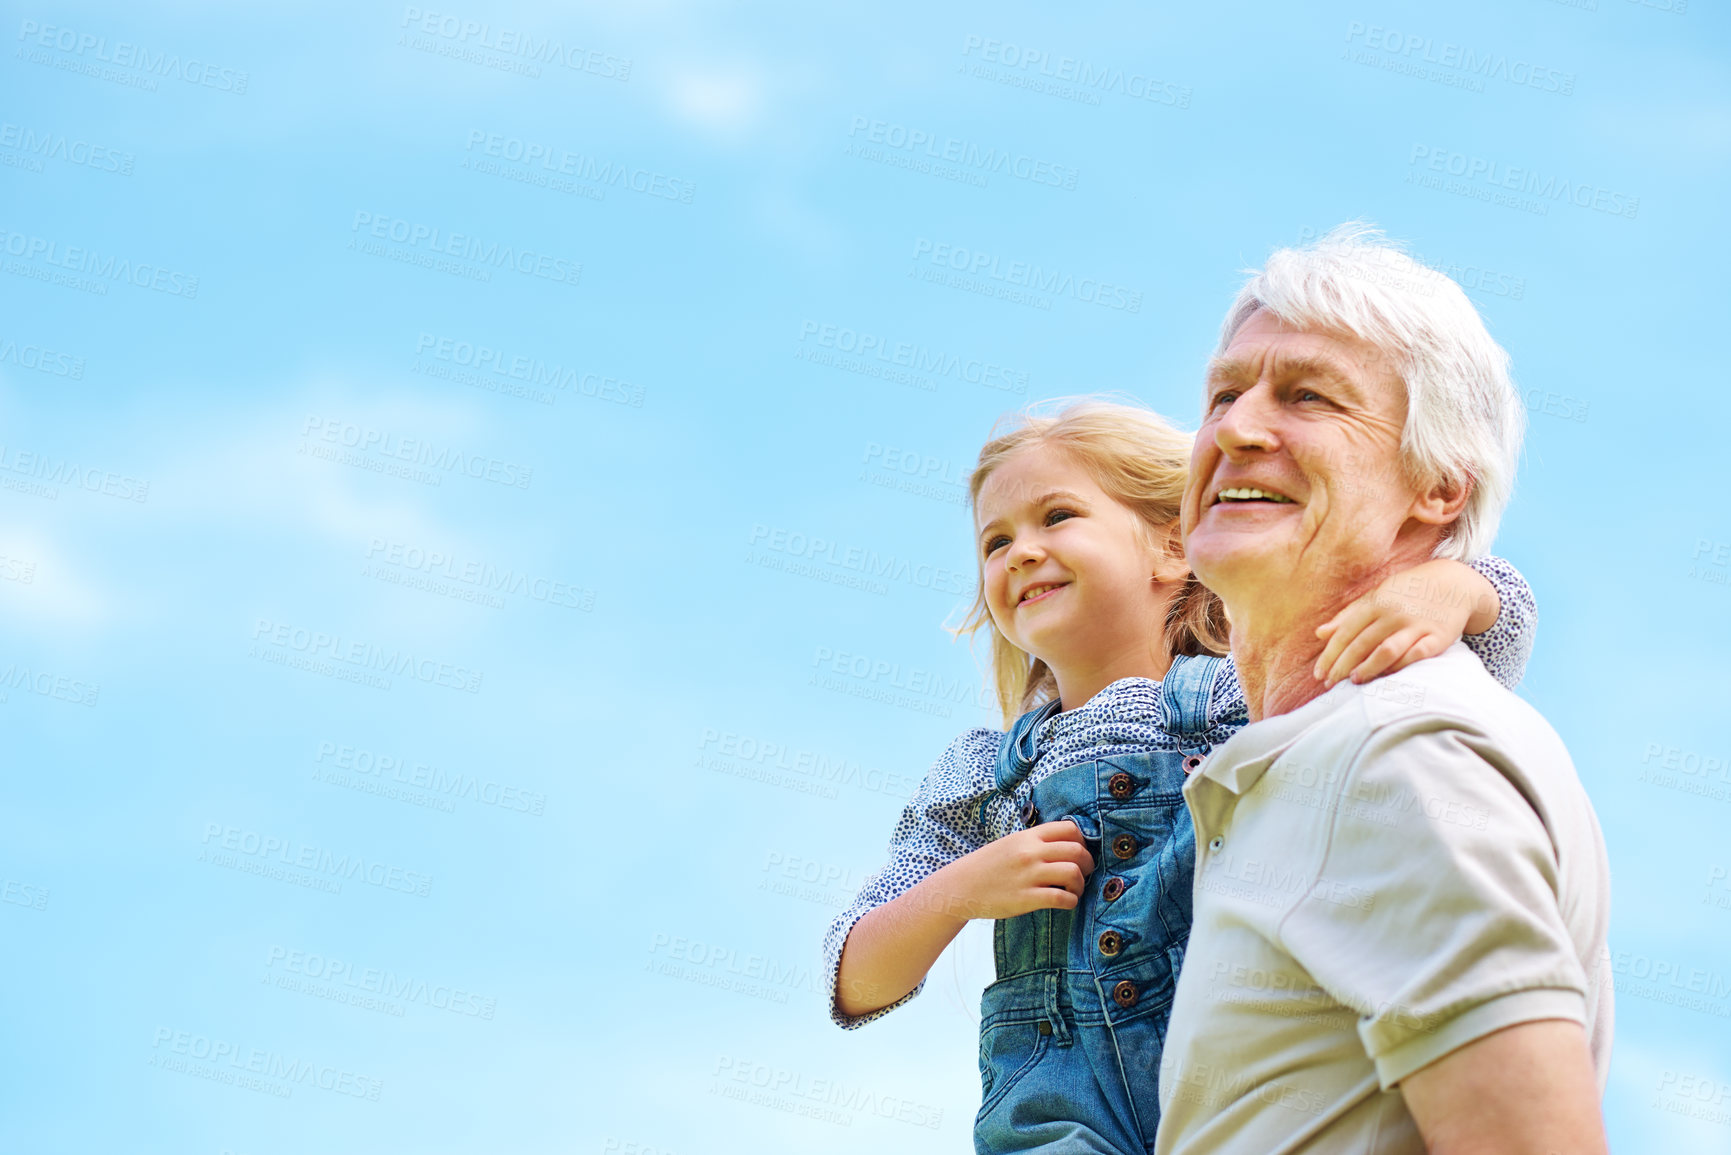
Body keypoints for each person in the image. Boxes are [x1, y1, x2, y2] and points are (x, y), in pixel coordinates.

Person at [823, 396, 1539, 1154]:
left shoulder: (1246, 689)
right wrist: (962, 887)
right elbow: (855, 978)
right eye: (995, 542)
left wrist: (1450, 588)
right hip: (1060, 1119)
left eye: (1057, 516)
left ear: (1173, 549)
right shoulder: (981, 776)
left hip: (1249, 1083)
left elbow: (1478, 651)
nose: (1019, 552)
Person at [1156, 225, 1612, 1154]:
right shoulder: (1311, 754)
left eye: (1307, 395)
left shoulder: (1400, 753)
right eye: (1222, 393)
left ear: (1438, 487)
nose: (1235, 429)